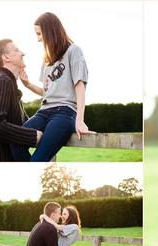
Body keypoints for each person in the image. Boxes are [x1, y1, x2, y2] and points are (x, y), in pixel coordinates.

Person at [11, 12, 95, 162]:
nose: (38, 39)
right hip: (43, 112)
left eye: (39, 34)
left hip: (64, 113)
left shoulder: (73, 51)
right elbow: (47, 92)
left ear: (49, 31)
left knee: (39, 159)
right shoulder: (47, 59)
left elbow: (79, 86)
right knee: (15, 141)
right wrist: (27, 84)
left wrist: (80, 120)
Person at [0, 39, 43, 162]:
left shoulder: (9, 82)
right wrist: (32, 136)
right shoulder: (2, 81)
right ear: (6, 57)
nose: (22, 53)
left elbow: (22, 123)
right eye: (16, 50)